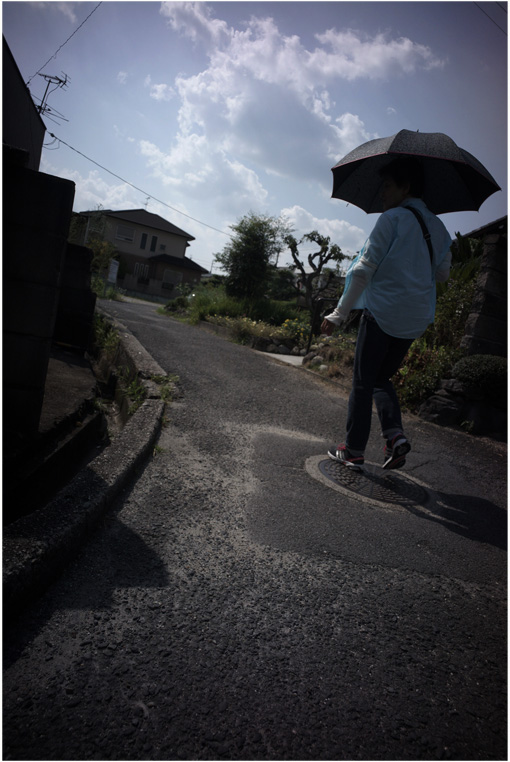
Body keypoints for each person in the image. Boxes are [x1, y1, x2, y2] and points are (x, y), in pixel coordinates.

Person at [321, 157, 452, 470]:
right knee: (381, 378)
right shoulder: (440, 228)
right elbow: (443, 276)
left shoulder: (392, 218)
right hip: (415, 320)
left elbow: (363, 271)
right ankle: (395, 437)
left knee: (364, 383)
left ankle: (352, 450)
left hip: (382, 313)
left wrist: (339, 314)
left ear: (405, 187)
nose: (382, 193)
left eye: (388, 185)